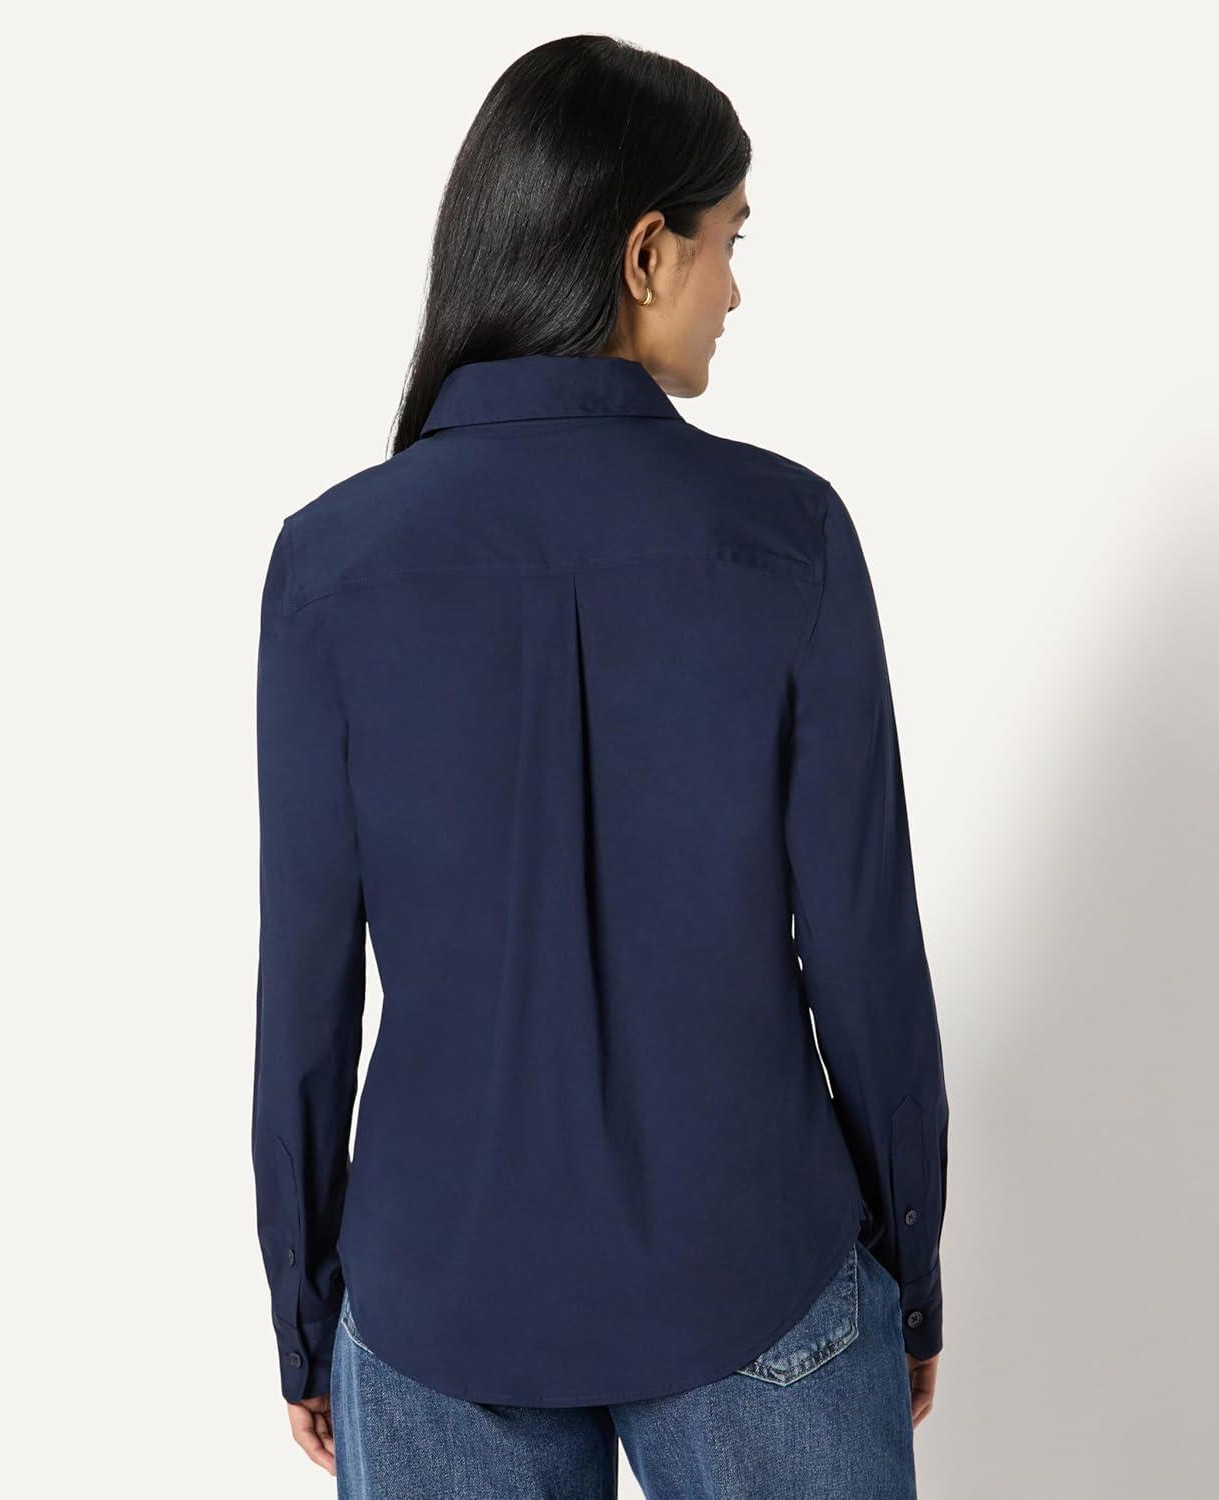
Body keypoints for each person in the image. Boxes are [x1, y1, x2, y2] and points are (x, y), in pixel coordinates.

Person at [252, 33, 950, 1499]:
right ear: (644, 254)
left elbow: (307, 987)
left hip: (438, 1292)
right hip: (756, 1263)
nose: (735, 289)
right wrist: (906, 1270)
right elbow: (867, 955)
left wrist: (307, 1308)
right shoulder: (788, 538)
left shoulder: (331, 564)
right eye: (728, 241)